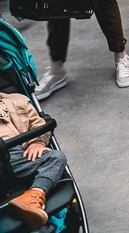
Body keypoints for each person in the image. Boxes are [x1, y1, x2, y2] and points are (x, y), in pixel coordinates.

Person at [0, 90, 69, 227]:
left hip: (19, 155)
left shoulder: (17, 100)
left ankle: (33, 195)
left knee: (57, 157)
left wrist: (36, 142)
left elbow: (38, 124)